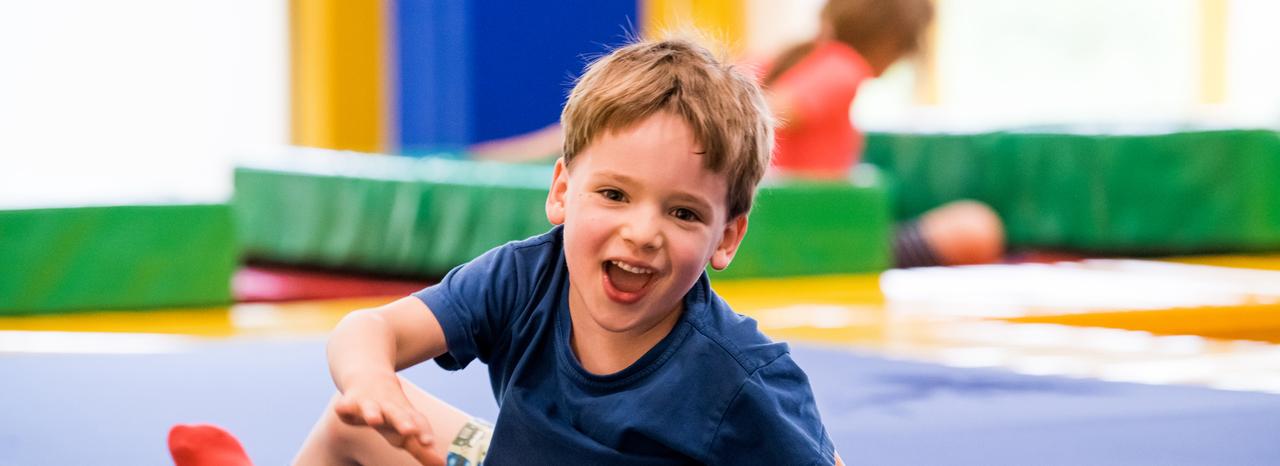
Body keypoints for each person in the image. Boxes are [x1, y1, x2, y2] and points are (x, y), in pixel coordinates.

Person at [293, 37, 845, 465]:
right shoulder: (525, 278)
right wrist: (372, 383)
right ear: (562, 191)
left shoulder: (737, 379)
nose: (642, 232)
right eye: (614, 194)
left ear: (725, 237)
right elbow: (367, 329)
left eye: (683, 213)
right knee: (354, 421)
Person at [762, 0, 1004, 267]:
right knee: (977, 226)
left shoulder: (785, 58)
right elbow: (772, 110)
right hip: (816, 236)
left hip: (806, 225)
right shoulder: (843, 67)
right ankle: (855, 257)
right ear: (891, 42)